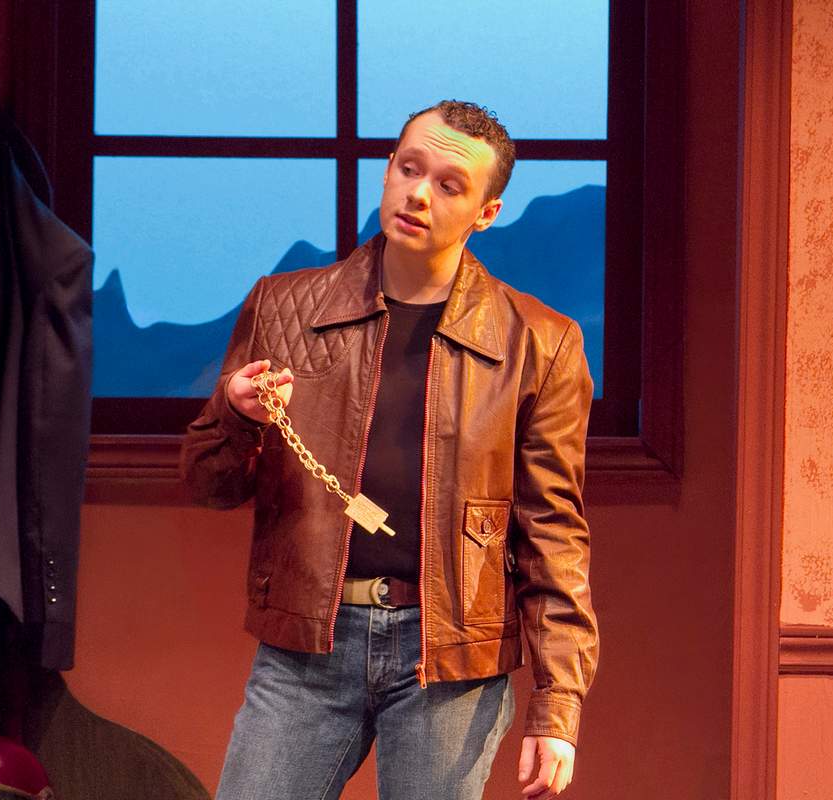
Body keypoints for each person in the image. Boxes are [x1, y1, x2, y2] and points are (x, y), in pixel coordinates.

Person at [180, 99, 598, 800]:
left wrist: (559, 703)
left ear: (486, 213)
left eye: (449, 184)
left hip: (451, 657)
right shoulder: (285, 308)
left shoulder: (540, 342)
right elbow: (209, 484)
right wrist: (235, 412)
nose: (419, 194)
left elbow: (553, 531)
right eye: (409, 169)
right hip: (307, 647)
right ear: (387, 171)